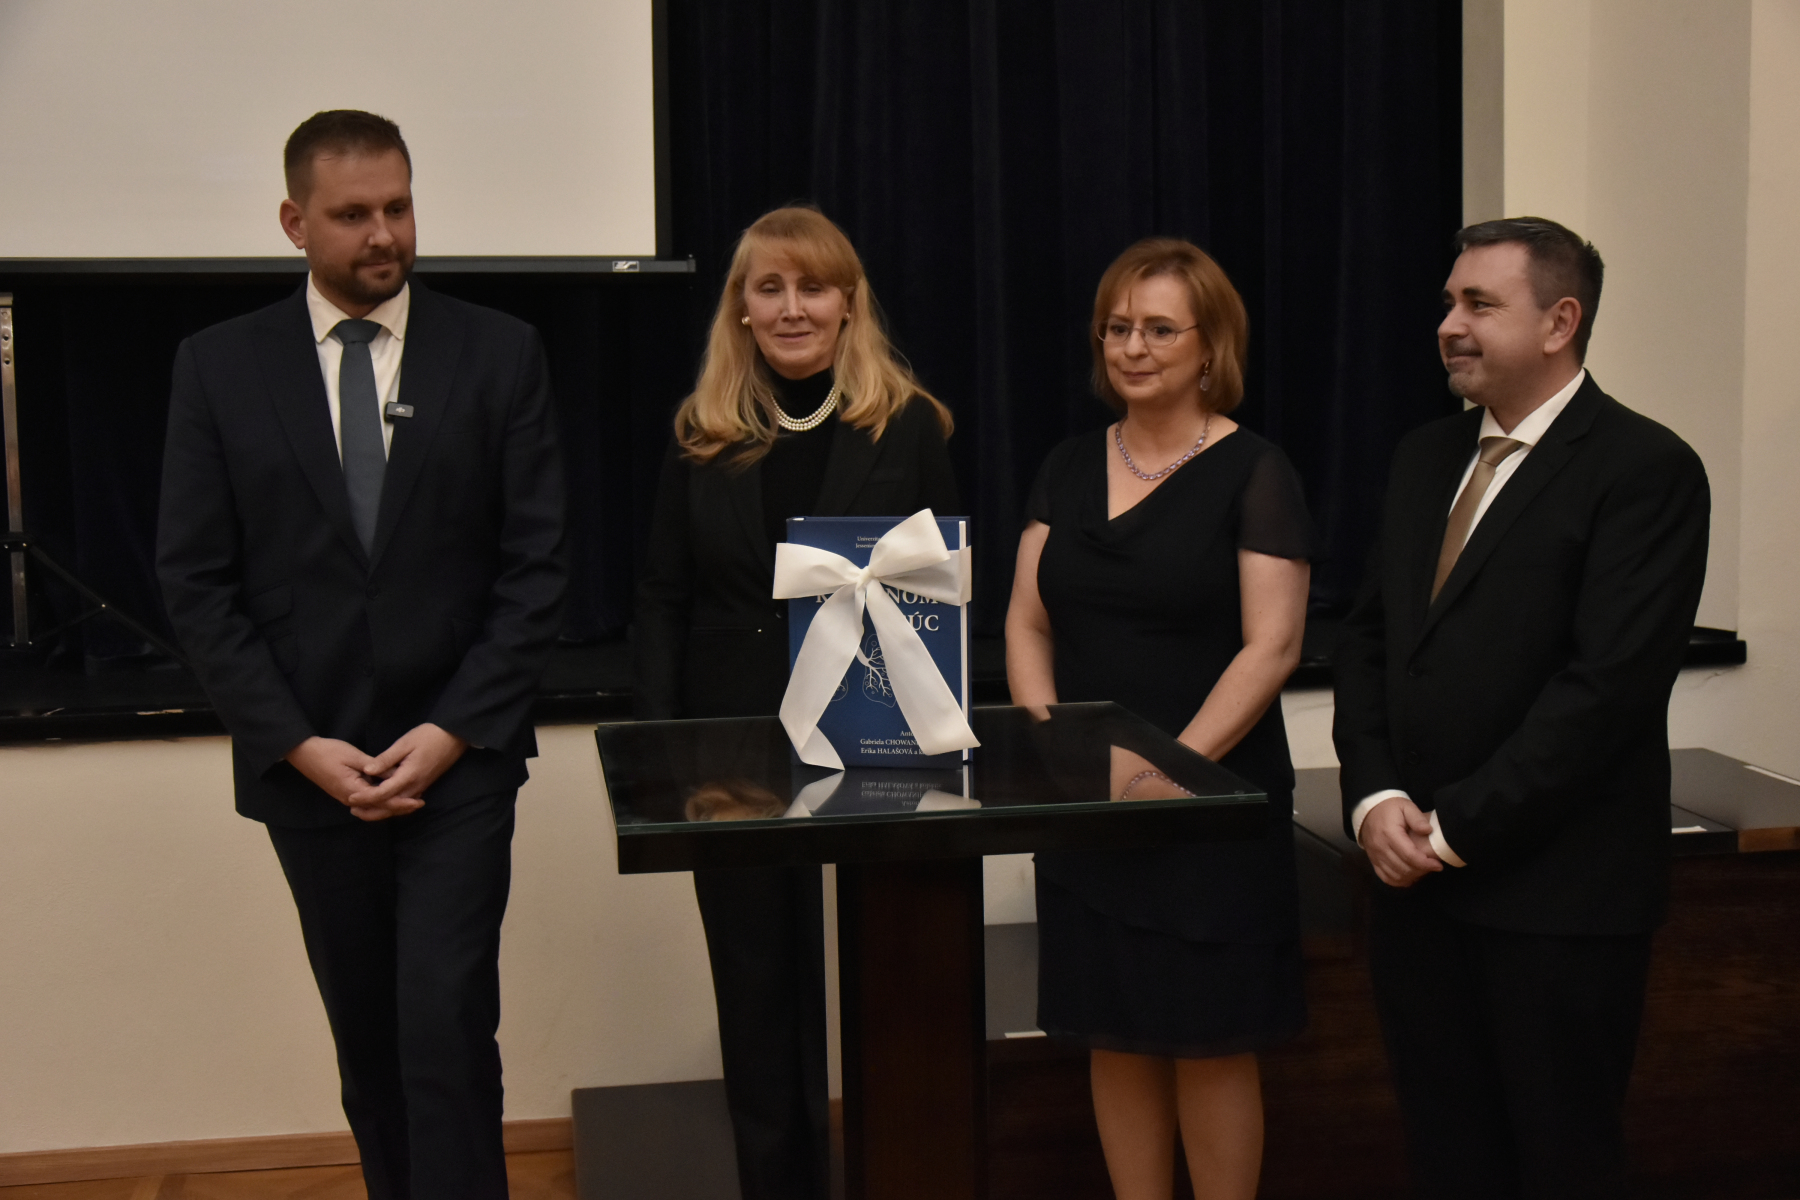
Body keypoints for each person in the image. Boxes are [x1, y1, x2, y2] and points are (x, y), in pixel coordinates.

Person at [156, 110, 567, 1200]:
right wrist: (298, 746)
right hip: (312, 768)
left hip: (460, 760)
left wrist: (452, 731)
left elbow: (537, 568)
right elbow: (195, 583)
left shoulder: (499, 352)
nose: (383, 234)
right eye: (352, 215)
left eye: (398, 206)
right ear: (294, 222)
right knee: (370, 1037)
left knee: (445, 1018)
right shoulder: (219, 367)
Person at [1332, 217, 1710, 1200]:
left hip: (1558, 902)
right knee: (1446, 1158)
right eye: (1448, 302)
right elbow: (1370, 642)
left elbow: (1606, 690)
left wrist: (1454, 828)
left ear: (1559, 322)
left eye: (1479, 304)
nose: (1449, 324)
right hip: (1416, 896)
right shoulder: (1423, 456)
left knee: (1560, 1162)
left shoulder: (1644, 469)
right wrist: (1374, 800)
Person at [634, 205, 959, 1200]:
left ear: (848, 302)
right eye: (767, 288)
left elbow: (944, 589)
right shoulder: (701, 433)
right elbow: (663, 597)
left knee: (895, 978)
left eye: (812, 287)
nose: (790, 308)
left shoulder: (910, 424)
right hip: (732, 748)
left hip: (879, 738)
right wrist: (661, 753)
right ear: (740, 307)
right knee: (757, 989)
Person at [1005, 237, 1312, 1200]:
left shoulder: (1257, 470)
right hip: (1090, 808)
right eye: (1117, 328)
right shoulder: (1066, 465)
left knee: (1209, 1043)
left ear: (1211, 345)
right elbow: (1026, 622)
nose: (1133, 347)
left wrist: (1160, 770)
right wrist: (1055, 746)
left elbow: (1272, 647)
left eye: (1160, 329)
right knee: (1118, 1034)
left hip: (1208, 808)